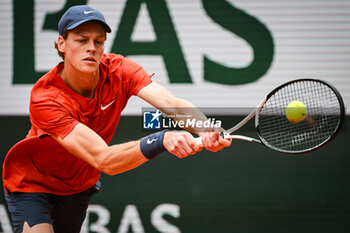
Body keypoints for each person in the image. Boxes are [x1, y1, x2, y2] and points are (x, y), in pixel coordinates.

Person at [2, 5, 231, 233]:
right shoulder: (46, 98)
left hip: (79, 187)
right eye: (81, 41)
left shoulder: (120, 70)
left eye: (98, 41)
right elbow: (104, 160)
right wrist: (162, 139)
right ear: (62, 44)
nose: (91, 48)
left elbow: (173, 104)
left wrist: (206, 128)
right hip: (33, 183)